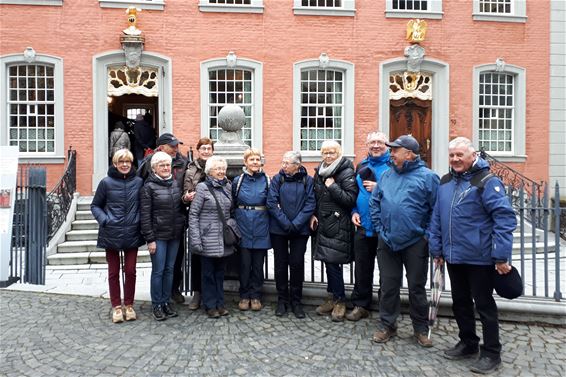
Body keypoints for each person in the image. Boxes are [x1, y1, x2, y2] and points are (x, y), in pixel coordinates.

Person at [428, 137, 517, 374]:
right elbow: (437, 216)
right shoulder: (445, 181)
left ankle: (491, 352)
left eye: (460, 155)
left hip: (479, 257)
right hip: (453, 256)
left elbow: (504, 218)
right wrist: (436, 249)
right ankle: (468, 343)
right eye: (452, 155)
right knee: (460, 303)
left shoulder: (487, 181)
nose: (455, 159)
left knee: (484, 305)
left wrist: (501, 256)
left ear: (472, 155)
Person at [370, 134, 439, 347]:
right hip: (388, 240)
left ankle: (420, 328)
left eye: (395, 150)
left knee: (416, 287)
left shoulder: (428, 177)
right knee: (388, 285)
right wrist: (380, 229)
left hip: (415, 241)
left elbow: (436, 210)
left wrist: (426, 234)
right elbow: (375, 203)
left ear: (408, 154)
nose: (391, 153)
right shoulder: (387, 175)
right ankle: (387, 325)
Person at [91, 149, 144, 323]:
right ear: (115, 163)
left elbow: (144, 205)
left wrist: (139, 221)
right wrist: (105, 220)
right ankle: (116, 306)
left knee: (130, 271)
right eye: (121, 162)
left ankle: (128, 304)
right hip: (111, 233)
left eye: (127, 162)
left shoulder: (138, 182)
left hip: (132, 232)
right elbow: (95, 206)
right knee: (113, 272)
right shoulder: (105, 183)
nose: (124, 165)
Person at [310, 140, 358, 322]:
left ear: (338, 153)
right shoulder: (320, 171)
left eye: (332, 153)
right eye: (325, 153)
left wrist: (333, 186)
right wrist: (313, 214)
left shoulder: (345, 171)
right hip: (323, 222)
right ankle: (332, 297)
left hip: (338, 223)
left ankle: (340, 300)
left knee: (333, 262)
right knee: (327, 261)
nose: (328, 156)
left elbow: (350, 199)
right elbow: (316, 196)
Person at [138, 132, 188, 305]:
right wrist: (149, 236)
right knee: (159, 269)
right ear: (162, 147)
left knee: (173, 265)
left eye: (177, 145)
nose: (176, 148)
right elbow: (142, 194)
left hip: (176, 222)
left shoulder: (183, 162)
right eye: (172, 145)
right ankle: (158, 302)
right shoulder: (148, 166)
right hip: (158, 225)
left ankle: (171, 293)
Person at [346, 132, 390, 322]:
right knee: (362, 268)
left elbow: (399, 194)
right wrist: (354, 211)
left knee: (386, 270)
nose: (376, 145)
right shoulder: (361, 165)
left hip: (384, 227)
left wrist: (378, 187)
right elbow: (355, 193)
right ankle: (361, 304)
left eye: (380, 142)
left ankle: (386, 308)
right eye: (372, 142)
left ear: (387, 145)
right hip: (363, 224)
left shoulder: (393, 167)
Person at [267, 151, 316, 318]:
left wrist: (296, 223)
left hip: (300, 230)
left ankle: (296, 301)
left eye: (287, 163)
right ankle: (282, 300)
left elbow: (310, 203)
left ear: (297, 165)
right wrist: (286, 223)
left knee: (297, 264)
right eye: (283, 162)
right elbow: (271, 202)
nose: (283, 166)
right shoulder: (276, 179)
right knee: (280, 264)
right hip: (279, 229)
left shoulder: (307, 180)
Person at [188, 156, 236, 319]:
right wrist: (196, 239)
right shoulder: (202, 188)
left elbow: (231, 211)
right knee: (208, 274)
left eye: (223, 168)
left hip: (222, 238)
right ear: (209, 171)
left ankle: (220, 304)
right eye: (218, 169)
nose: (221, 171)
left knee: (220, 273)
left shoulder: (228, 187)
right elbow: (193, 214)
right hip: (207, 237)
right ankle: (210, 305)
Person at [233, 148, 271, 312]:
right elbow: (233, 201)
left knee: (257, 265)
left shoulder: (267, 180)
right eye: (252, 159)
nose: (255, 162)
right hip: (243, 224)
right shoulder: (238, 180)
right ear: (245, 162)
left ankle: (256, 295)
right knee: (244, 264)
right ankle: (244, 295)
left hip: (261, 224)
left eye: (257, 159)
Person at [182, 137, 214, 310]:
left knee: (213, 257)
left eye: (209, 148)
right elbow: (184, 194)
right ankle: (197, 293)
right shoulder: (190, 169)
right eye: (203, 148)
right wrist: (186, 197)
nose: (206, 151)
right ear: (198, 150)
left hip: (214, 218)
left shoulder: (217, 165)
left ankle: (212, 294)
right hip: (196, 216)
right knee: (196, 256)